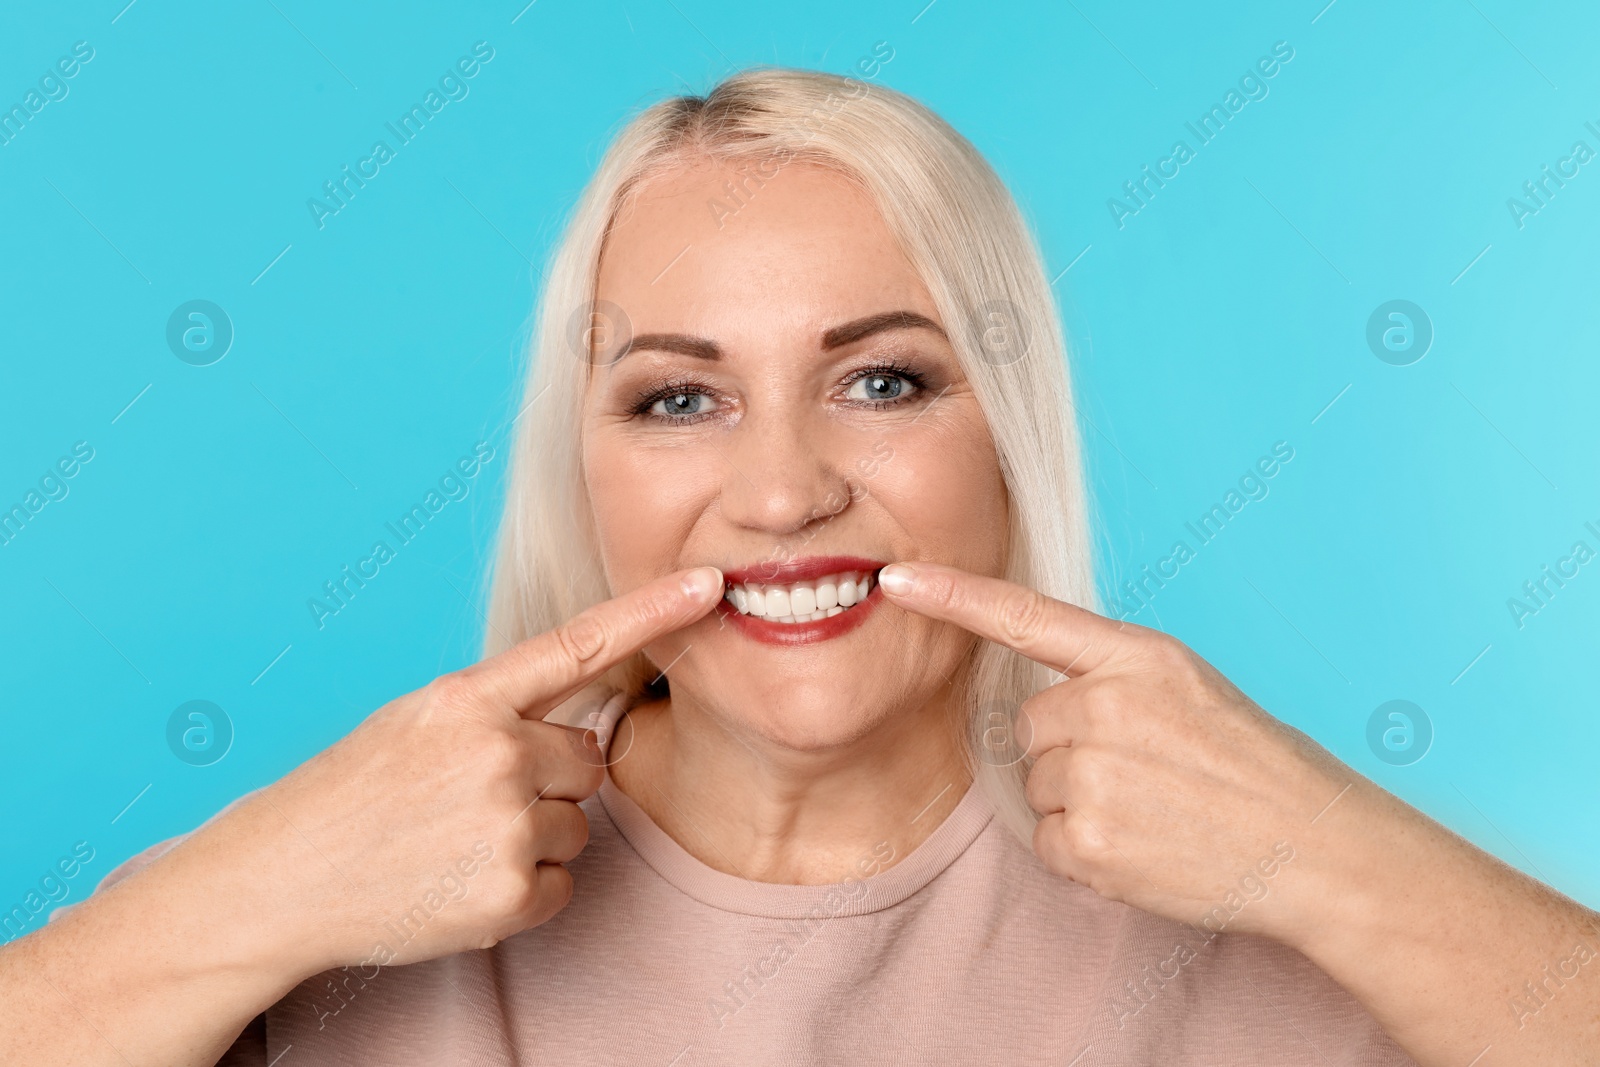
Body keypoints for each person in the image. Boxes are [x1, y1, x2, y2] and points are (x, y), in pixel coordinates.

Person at [3, 67, 1596, 1066]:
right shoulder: (345, 906)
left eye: (884, 380)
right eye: (678, 399)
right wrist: (259, 882)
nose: (780, 492)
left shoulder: (1287, 928)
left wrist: (1336, 848)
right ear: (587, 465)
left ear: (1008, 430)